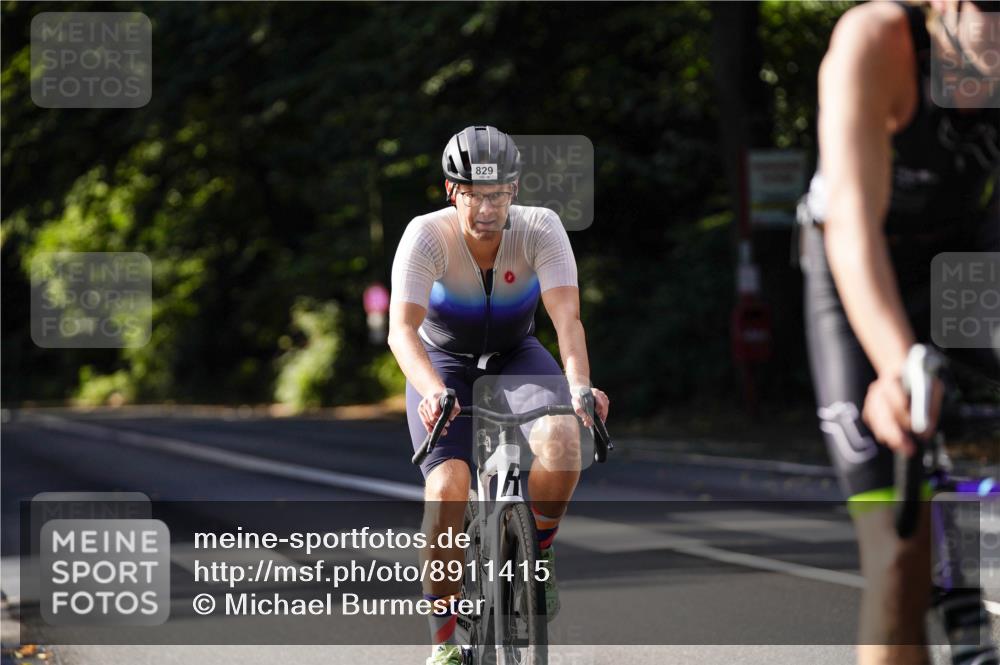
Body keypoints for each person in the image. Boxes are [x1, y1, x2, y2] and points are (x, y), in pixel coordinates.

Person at [799, 1, 999, 663]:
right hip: (855, 265)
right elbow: (852, 226)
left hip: (962, 263)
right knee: (898, 553)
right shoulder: (877, 41)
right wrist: (895, 366)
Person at [389, 125, 610, 665]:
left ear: (514, 189)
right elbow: (401, 330)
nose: (487, 209)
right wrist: (432, 391)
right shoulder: (426, 236)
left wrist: (579, 385)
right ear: (451, 190)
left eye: (498, 194)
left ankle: (540, 553)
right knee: (447, 488)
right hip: (443, 363)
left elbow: (567, 319)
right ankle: (443, 643)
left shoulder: (540, 227)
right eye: (473, 195)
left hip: (516, 355)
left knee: (563, 441)